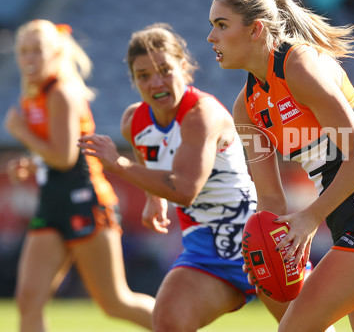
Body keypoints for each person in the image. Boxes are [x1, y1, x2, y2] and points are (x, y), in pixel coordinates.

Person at [206, 0, 354, 332]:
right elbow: (271, 199)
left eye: (221, 25)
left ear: (256, 29)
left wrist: (310, 218)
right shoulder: (245, 109)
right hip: (353, 221)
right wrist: (265, 246)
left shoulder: (299, 66)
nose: (211, 38)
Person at [78, 23, 290, 331]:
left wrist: (119, 166)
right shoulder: (133, 121)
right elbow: (149, 155)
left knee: (308, 326)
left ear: (184, 67)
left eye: (165, 69)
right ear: (134, 81)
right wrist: (154, 198)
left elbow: (186, 188)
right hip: (205, 253)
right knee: (168, 322)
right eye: (144, 76)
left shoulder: (202, 115)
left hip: (257, 240)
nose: (156, 83)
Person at [3, 19, 154, 331]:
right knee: (29, 299)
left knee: (114, 302)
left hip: (86, 202)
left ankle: (178, 324)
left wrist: (21, 134)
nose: (30, 59)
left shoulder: (62, 93)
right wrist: (31, 162)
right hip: (52, 203)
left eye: (38, 51)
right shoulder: (34, 94)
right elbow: (53, 151)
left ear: (55, 53)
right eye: (24, 51)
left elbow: (64, 156)